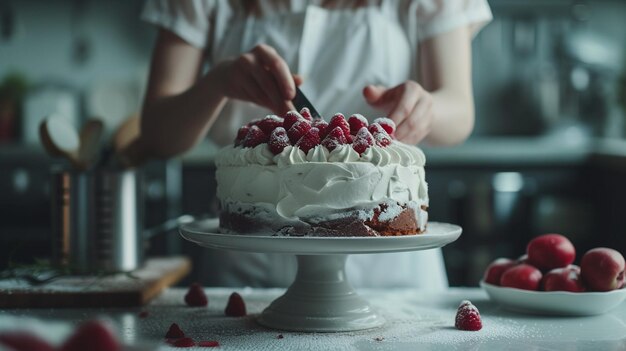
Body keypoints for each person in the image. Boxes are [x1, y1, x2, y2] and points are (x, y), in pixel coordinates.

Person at [138, 0, 492, 289]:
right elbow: (158, 135)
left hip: (391, 275)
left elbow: (459, 112)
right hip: (249, 271)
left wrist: (426, 108)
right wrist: (215, 84)